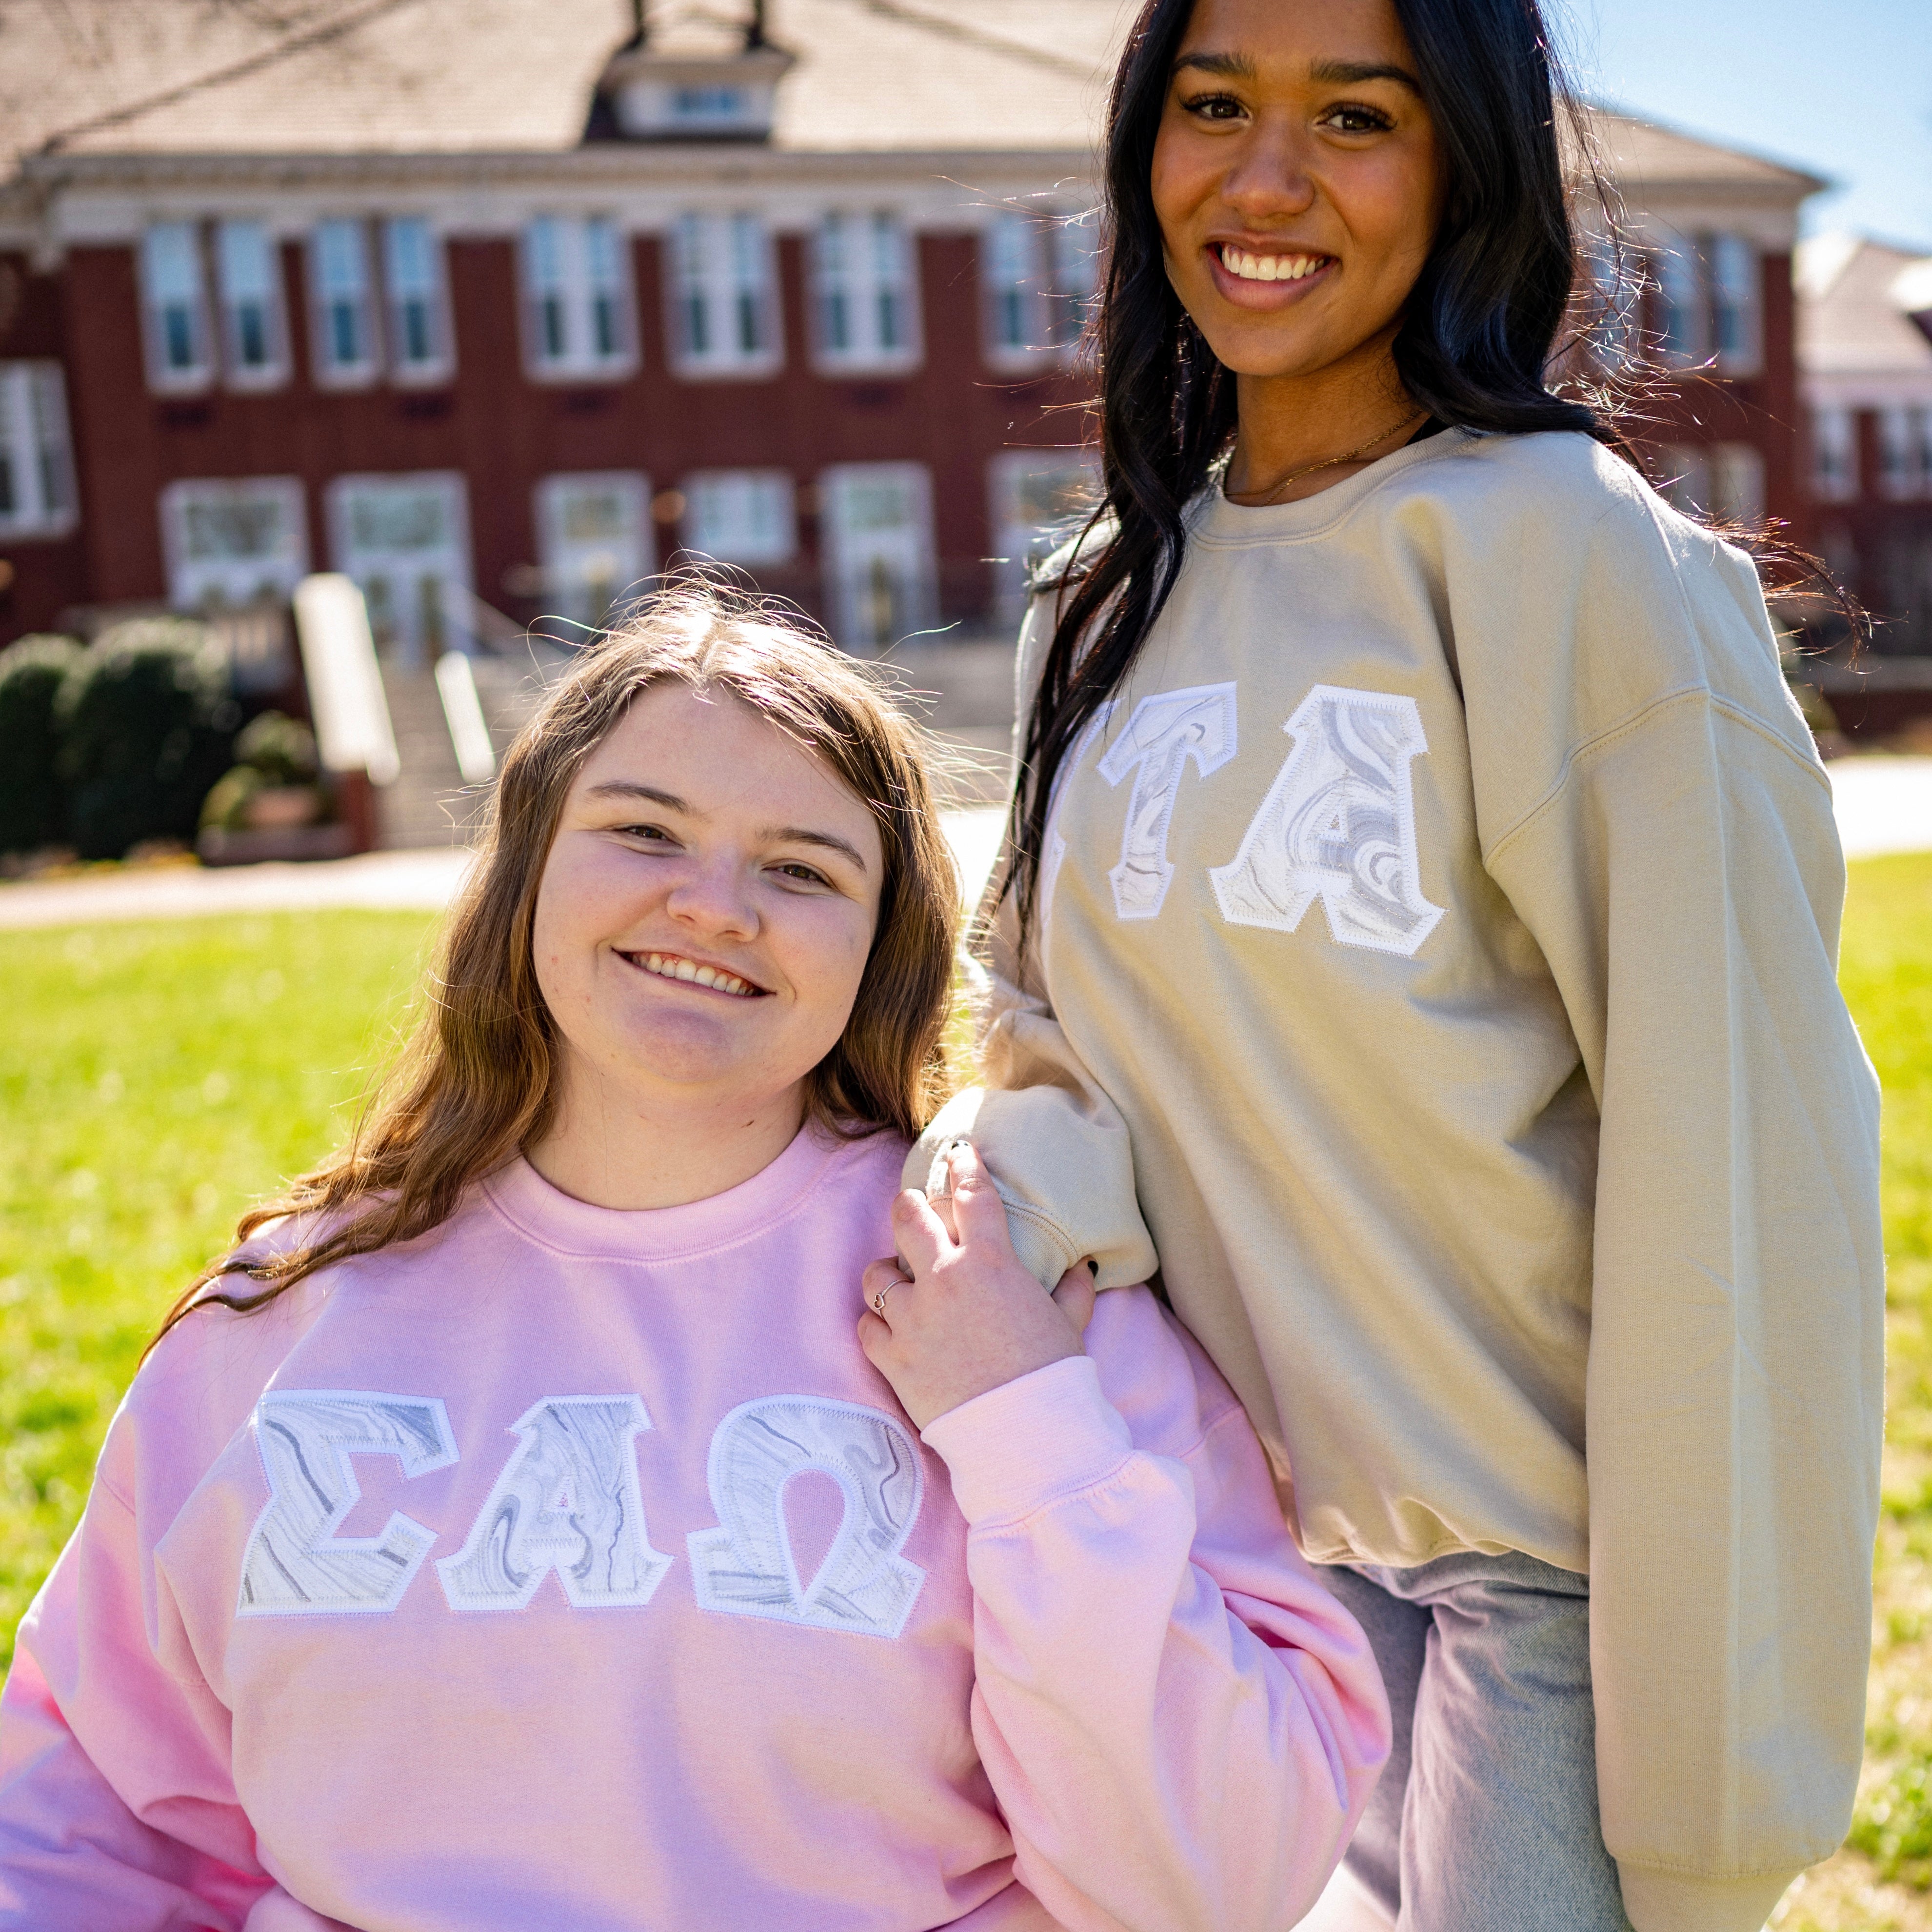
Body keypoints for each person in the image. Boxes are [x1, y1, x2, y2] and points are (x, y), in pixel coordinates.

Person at [908, 2, 1885, 1930]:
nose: (1261, 182)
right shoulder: (1100, 601)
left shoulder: (1575, 563)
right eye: (1212, 106)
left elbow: (1747, 1168)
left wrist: (1703, 1750)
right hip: (1238, 1565)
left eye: (1352, 116)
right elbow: (1061, 1066)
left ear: (1466, 167)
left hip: (1540, 1584)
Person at [0, 587, 1389, 1932]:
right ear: (527, 870)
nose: (716, 904)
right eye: (645, 831)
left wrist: (1029, 1433)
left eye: (802, 868)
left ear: (879, 944)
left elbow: (1219, 1874)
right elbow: (91, 1818)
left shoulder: (1014, 1292)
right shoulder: (278, 1325)